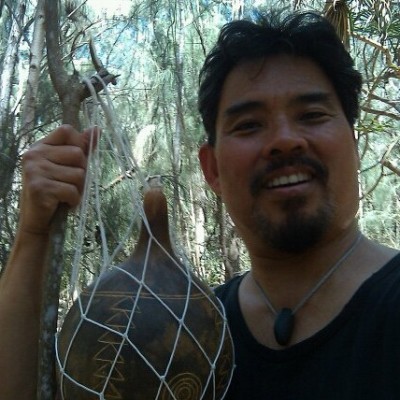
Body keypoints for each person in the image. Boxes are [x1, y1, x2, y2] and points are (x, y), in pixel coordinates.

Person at [0, 9, 399, 400]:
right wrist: (34, 231)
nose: (284, 140)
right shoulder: (184, 331)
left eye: (311, 115)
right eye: (249, 125)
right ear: (212, 170)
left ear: (352, 139)